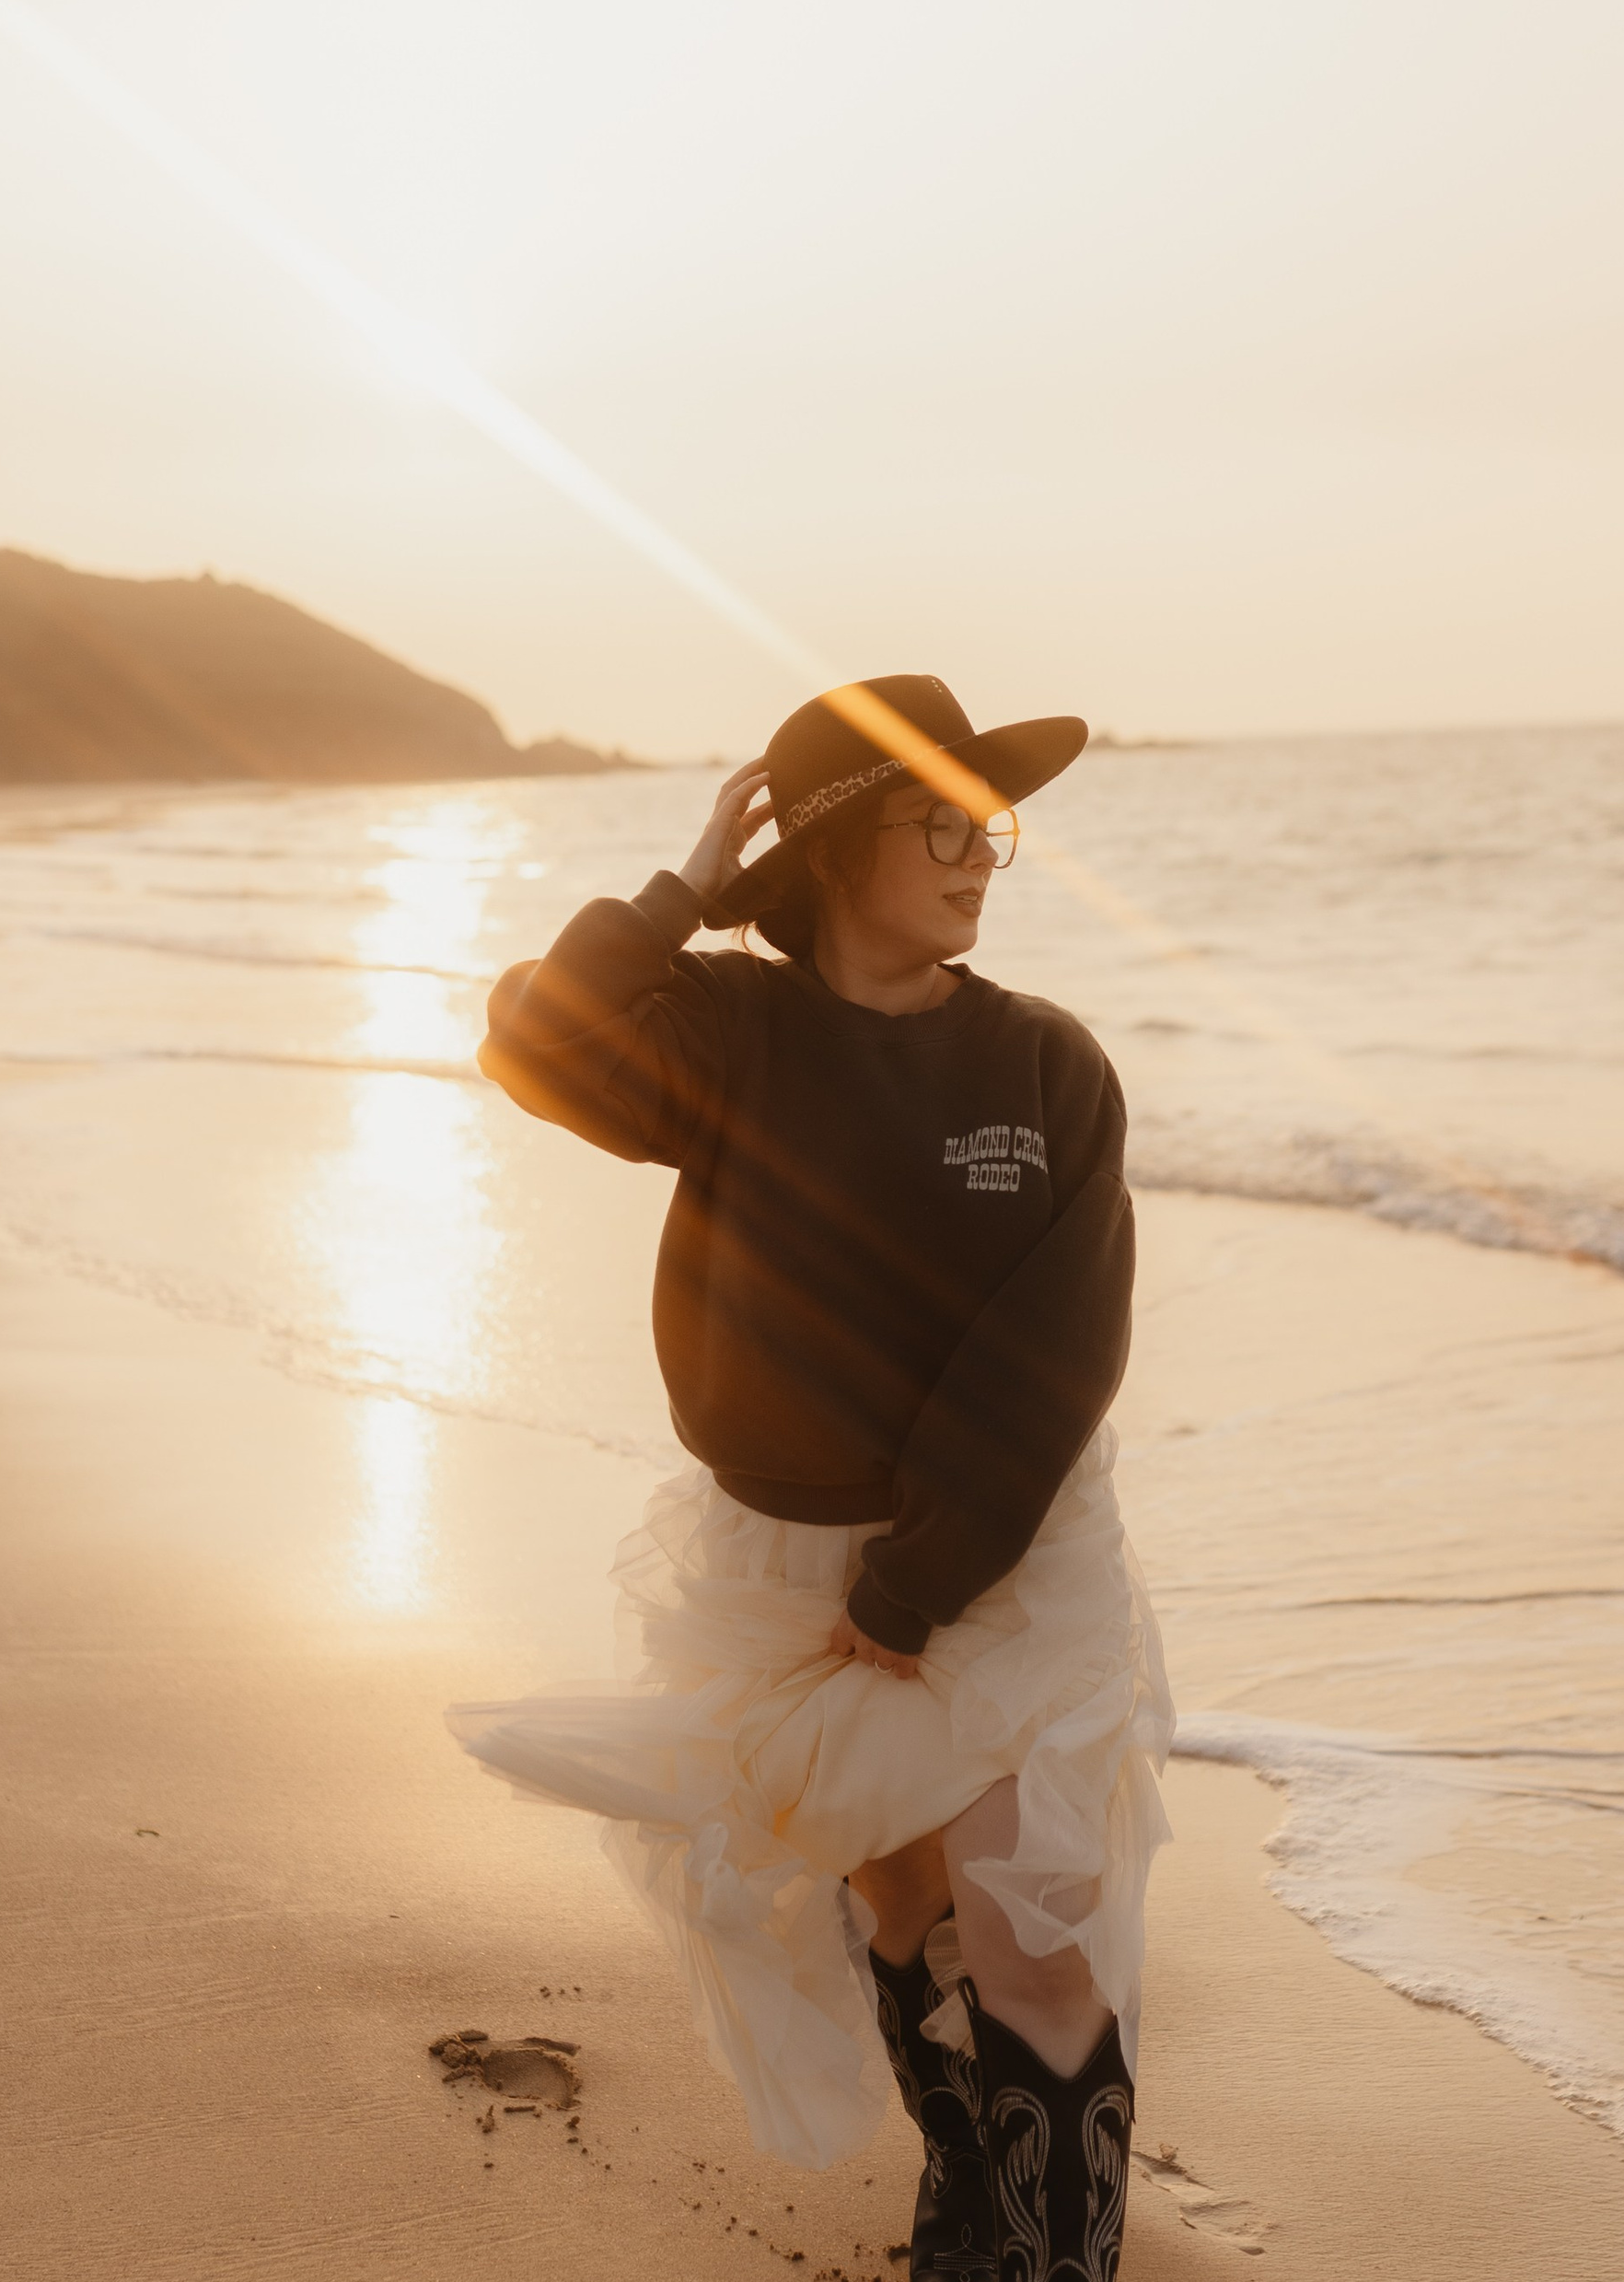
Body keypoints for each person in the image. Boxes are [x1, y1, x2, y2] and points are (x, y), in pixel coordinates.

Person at [449, 674, 1171, 2281]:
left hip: (1010, 1555)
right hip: (780, 1569)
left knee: (1033, 1939)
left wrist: (920, 1580)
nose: (985, 854)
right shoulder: (725, 1033)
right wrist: (682, 890)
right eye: (945, 820)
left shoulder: (1050, 1069)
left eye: (994, 827)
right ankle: (971, 2201)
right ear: (843, 845)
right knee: (904, 1913)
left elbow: (1061, 1348)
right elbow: (532, 1046)